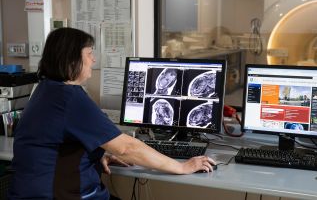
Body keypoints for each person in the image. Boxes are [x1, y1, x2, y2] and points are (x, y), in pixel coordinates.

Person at [8, 27, 216, 200]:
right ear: (71, 59)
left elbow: (59, 143)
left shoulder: (46, 89)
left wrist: (96, 154)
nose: (94, 60)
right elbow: (126, 147)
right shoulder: (69, 98)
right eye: (89, 54)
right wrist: (181, 167)